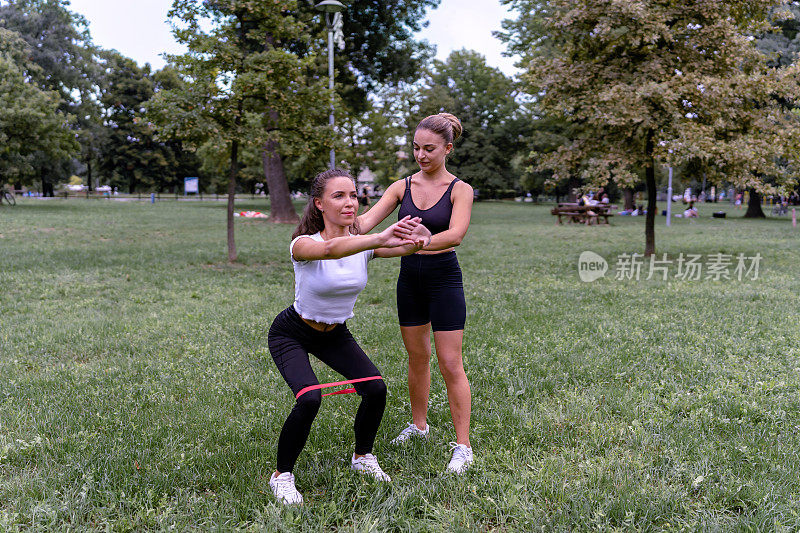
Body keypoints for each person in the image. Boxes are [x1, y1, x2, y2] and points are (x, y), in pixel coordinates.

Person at [267, 168, 431, 505]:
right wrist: (378, 237)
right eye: (339, 196)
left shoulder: (364, 245)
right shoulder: (304, 244)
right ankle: (282, 475)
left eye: (354, 195)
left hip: (335, 333)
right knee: (310, 398)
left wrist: (419, 239)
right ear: (319, 204)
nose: (350, 202)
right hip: (292, 333)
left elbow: (401, 247)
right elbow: (332, 251)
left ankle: (363, 458)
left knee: (375, 388)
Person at [356, 112, 475, 474]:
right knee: (416, 356)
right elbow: (364, 224)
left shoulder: (460, 189)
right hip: (409, 279)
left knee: (449, 362)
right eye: (416, 148)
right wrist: (337, 217)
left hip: (444, 280)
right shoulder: (401, 186)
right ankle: (419, 426)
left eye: (429, 149)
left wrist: (425, 240)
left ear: (447, 148)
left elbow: (456, 234)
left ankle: (463, 447)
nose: (421, 155)